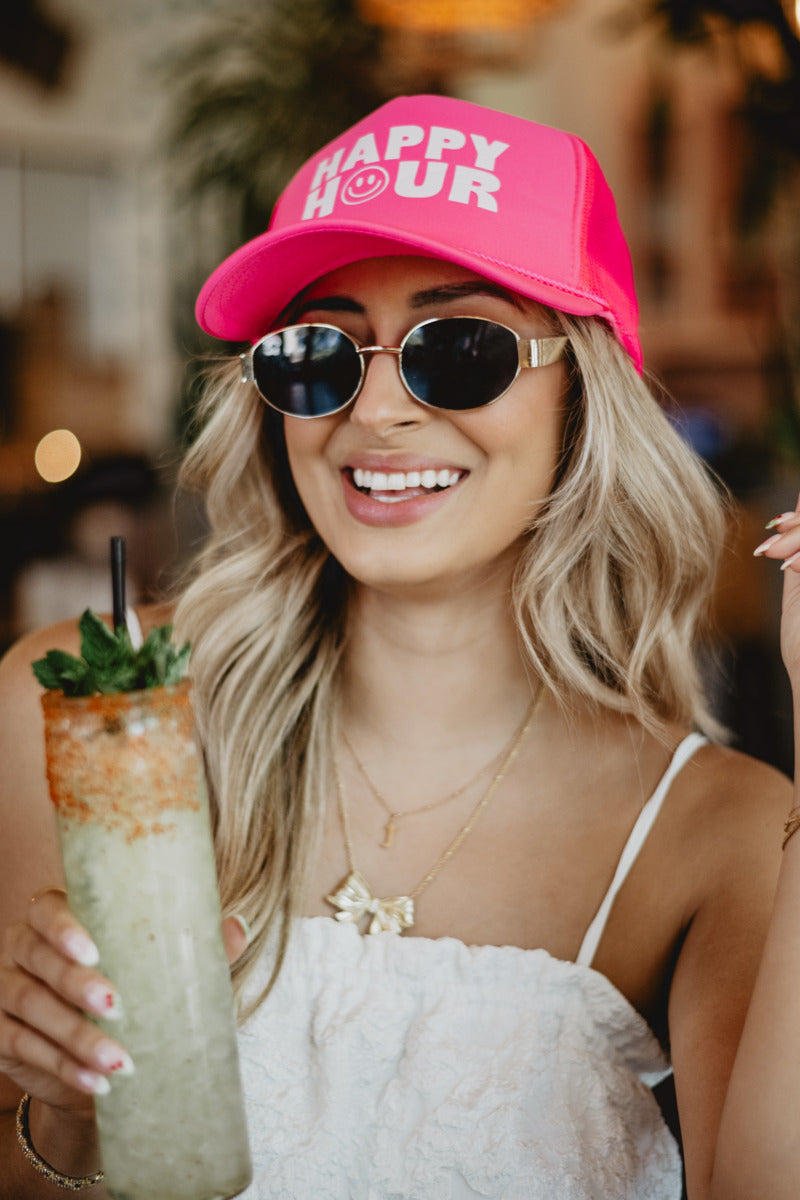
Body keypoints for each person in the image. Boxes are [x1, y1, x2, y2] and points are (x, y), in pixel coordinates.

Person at [0, 93, 799, 1200]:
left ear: (582, 394)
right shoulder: (88, 708)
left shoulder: (721, 835)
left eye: (458, 347)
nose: (373, 411)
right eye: (319, 349)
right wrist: (69, 1115)